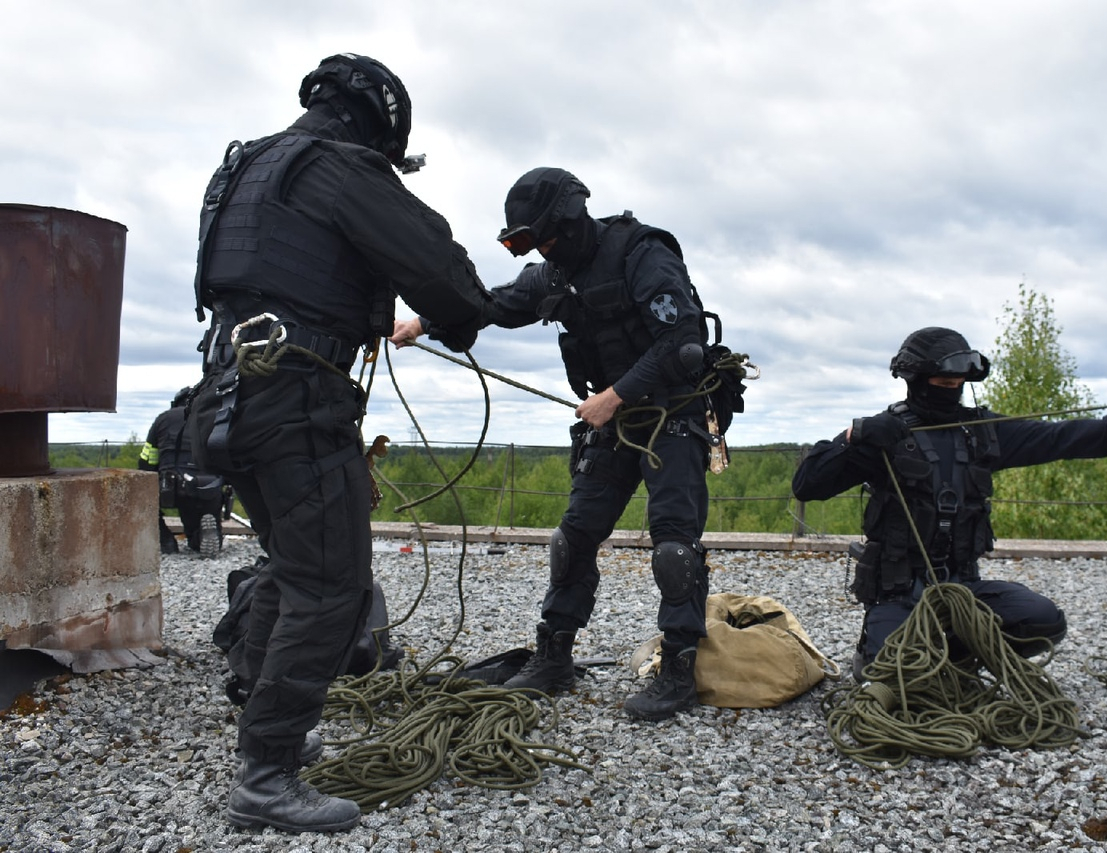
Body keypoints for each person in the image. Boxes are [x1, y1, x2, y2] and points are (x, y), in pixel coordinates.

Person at [186, 53, 489, 833]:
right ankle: (267, 774)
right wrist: (460, 318)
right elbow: (445, 276)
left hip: (226, 394)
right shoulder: (342, 169)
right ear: (380, 122)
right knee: (333, 584)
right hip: (295, 401)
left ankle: (273, 724)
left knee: (294, 567)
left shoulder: (250, 165)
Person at [392, 167, 738, 722]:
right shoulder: (551, 277)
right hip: (612, 426)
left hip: (672, 414)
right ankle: (553, 656)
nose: (542, 248)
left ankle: (678, 669)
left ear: (573, 219)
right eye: (529, 242)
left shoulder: (641, 252)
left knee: (674, 548)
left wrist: (615, 395)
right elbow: (494, 304)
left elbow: (683, 341)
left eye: (545, 236)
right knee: (572, 538)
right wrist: (423, 323)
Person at [791, 326, 1107, 678]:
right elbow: (807, 484)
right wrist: (851, 439)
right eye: (943, 381)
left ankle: (959, 655)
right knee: (890, 675)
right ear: (916, 378)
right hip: (899, 591)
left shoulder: (982, 433)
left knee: (1044, 622)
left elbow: (1064, 437)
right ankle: (887, 652)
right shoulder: (884, 434)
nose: (952, 388)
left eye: (958, 382)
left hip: (966, 588)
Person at [138, 386, 227, 557]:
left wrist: (147, 482)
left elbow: (148, 460)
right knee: (204, 514)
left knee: (147, 506)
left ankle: (166, 542)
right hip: (208, 484)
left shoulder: (164, 419)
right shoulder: (215, 417)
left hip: (173, 485)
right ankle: (202, 537)